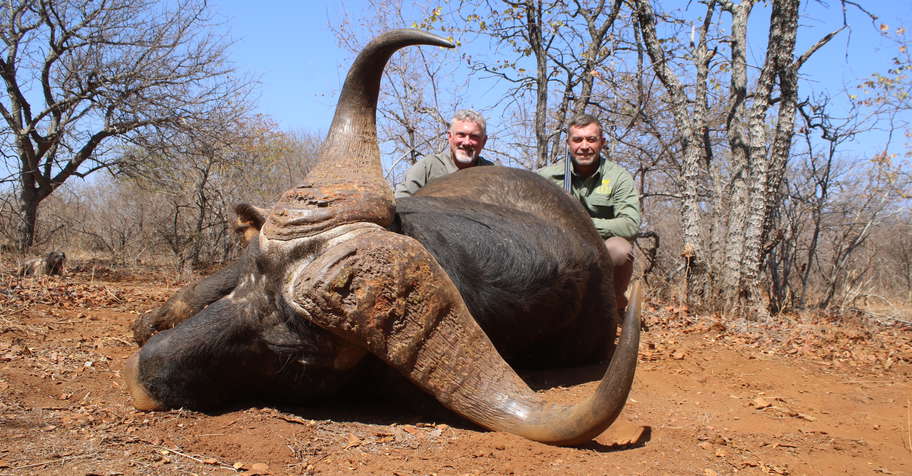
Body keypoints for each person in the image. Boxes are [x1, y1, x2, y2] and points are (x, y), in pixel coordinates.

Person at [537, 113, 641, 313]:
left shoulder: (618, 177)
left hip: (600, 249)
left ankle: (611, 306)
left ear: (602, 143)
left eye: (591, 139)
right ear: (568, 143)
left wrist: (582, 223)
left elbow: (629, 225)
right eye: (577, 140)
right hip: (557, 249)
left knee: (620, 250)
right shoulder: (545, 177)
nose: (584, 146)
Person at [394, 109, 494, 198]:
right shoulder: (427, 167)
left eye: (474, 137)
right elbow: (401, 202)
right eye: (461, 135)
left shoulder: (493, 172)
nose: (466, 142)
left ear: (484, 141)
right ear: (450, 137)